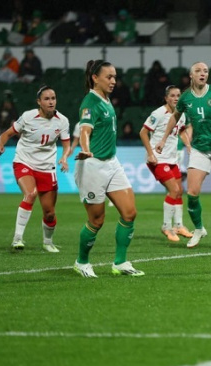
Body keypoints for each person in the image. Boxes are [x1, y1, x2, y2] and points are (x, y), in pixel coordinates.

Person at [155, 61, 211, 251]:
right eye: (198, 71)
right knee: (192, 193)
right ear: (191, 75)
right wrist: (163, 139)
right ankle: (198, 229)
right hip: (199, 148)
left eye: (205, 71)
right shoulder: (186, 97)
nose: (202, 73)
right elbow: (174, 116)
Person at [73, 59, 144, 278]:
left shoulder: (106, 99)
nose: (113, 81)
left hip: (112, 162)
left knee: (129, 213)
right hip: (92, 165)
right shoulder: (90, 103)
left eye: (114, 77)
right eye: (109, 77)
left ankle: (120, 263)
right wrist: (85, 149)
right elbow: (85, 130)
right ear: (95, 78)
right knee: (97, 220)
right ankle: (81, 262)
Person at [0, 86, 70, 252]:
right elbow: (6, 134)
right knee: (30, 193)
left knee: (49, 213)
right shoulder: (28, 117)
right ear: (39, 102)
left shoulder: (62, 121)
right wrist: (1, 145)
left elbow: (66, 144)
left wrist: (64, 157)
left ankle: (47, 242)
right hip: (24, 162)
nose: (51, 102)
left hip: (47, 167)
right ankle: (17, 238)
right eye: (47, 99)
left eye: (53, 98)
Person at [140, 85, 194, 242]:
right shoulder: (158, 113)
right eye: (173, 95)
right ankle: (166, 226)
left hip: (172, 159)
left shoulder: (181, 114)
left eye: (178, 95)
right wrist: (151, 154)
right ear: (166, 98)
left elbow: (182, 131)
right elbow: (143, 132)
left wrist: (188, 145)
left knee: (179, 191)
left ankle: (178, 225)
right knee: (174, 189)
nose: (176, 98)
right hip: (157, 159)